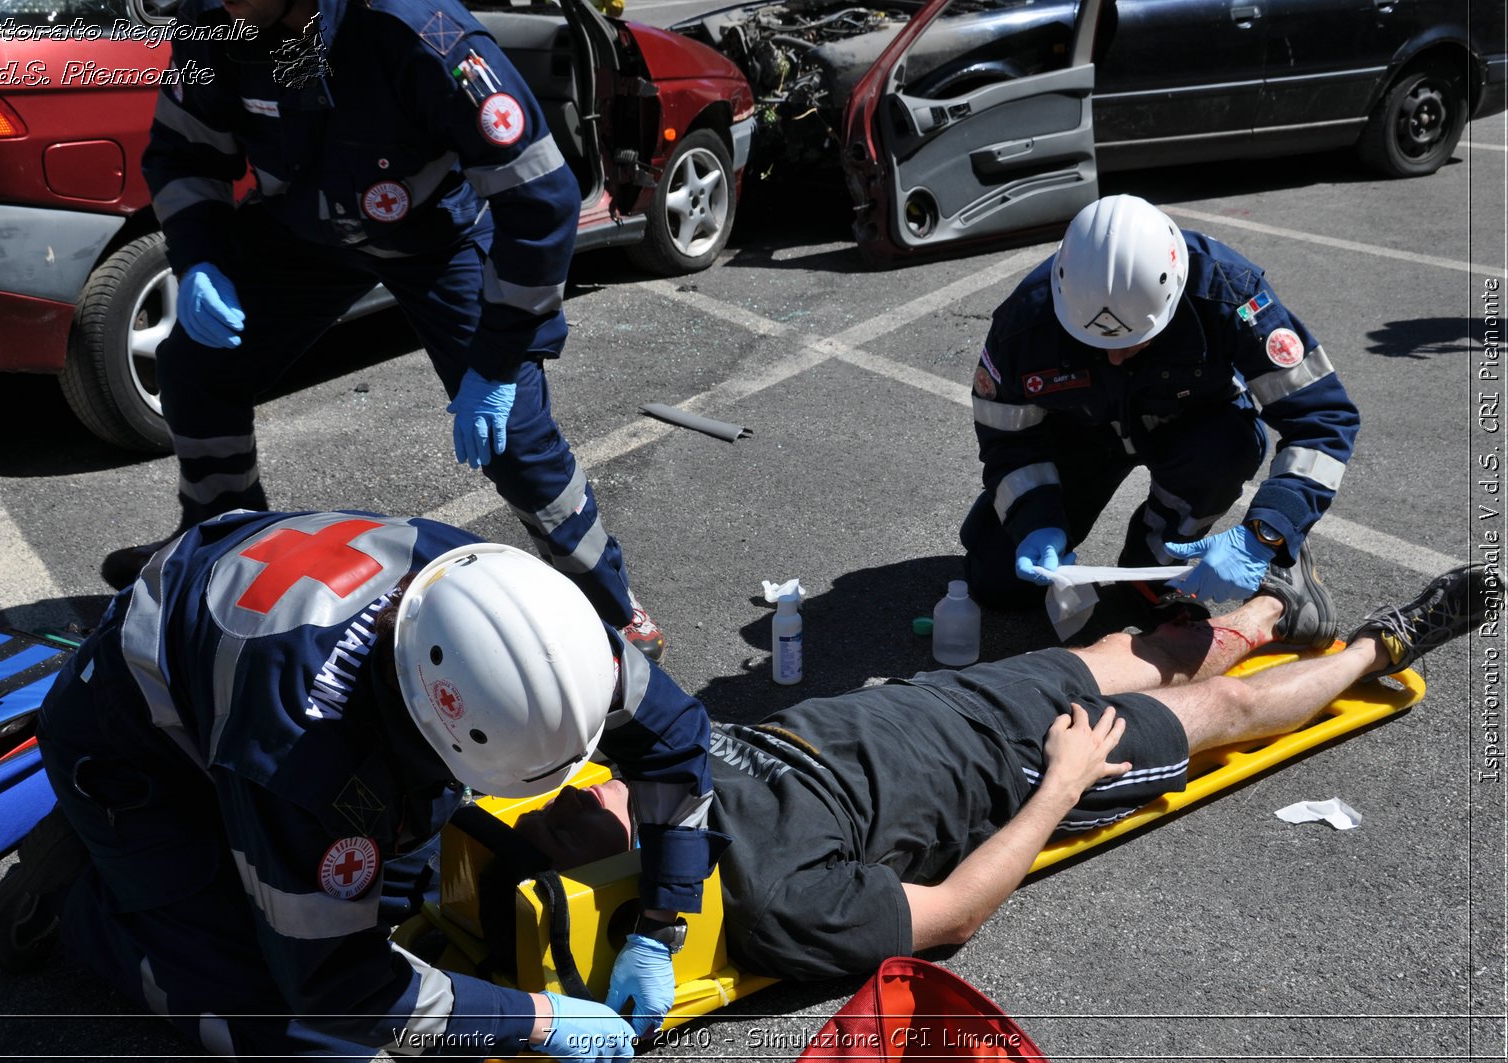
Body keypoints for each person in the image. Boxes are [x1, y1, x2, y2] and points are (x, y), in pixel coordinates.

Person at [514, 561, 1493, 981]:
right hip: (1022, 762)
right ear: (616, 873)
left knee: (1146, 640)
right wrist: (1064, 783)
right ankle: (1382, 645)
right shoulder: (777, 898)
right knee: (1224, 715)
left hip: (952, 700)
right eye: (583, 815)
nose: (592, 787)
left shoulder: (664, 776)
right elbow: (952, 915)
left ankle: (1275, 613)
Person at [0, 510, 729, 1061]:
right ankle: (78, 893)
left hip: (237, 642)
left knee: (388, 893)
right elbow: (342, 992)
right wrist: (537, 1019)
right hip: (131, 741)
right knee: (279, 1023)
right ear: (421, 717)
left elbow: (673, 736)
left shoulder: (520, 617)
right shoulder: (303, 753)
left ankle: (241, 883)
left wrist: (662, 922)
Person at [103, 0, 667, 661]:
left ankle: (610, 605)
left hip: (436, 239)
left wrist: (498, 357)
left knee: (513, 435)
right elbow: (184, 152)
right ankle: (218, 548)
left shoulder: (419, 30)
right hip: (304, 231)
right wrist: (198, 257)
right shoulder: (217, 23)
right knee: (194, 367)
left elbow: (540, 197)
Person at [959, 194, 1360, 633]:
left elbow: (1322, 417)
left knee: (1227, 448)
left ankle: (1154, 565)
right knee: (998, 582)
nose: (1115, 360)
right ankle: (1038, 536)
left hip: (1189, 426)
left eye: (1134, 341)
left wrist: (1268, 531)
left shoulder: (1229, 293)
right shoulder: (1025, 324)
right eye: (1096, 344)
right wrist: (1034, 520)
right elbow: (1007, 438)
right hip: (1079, 436)